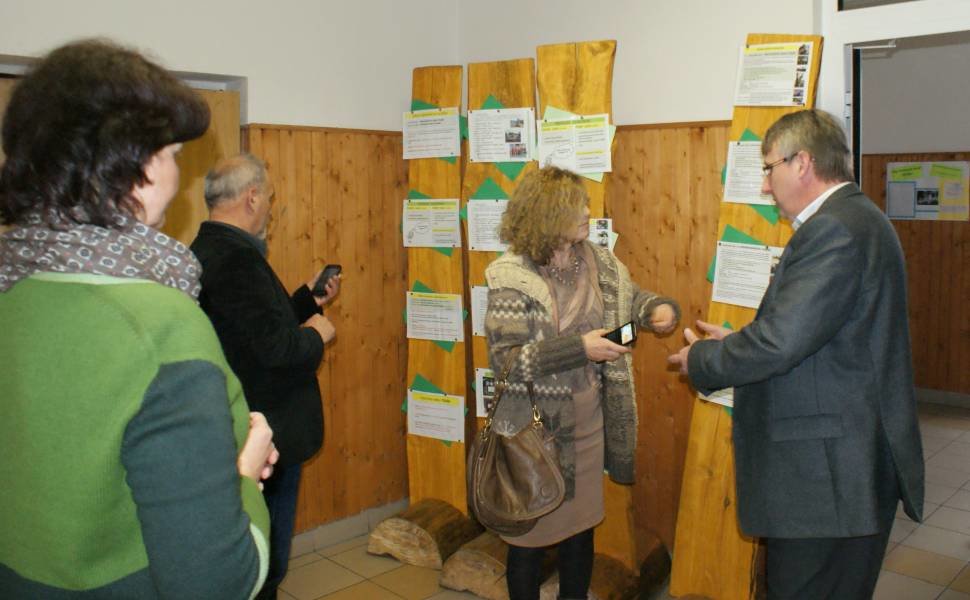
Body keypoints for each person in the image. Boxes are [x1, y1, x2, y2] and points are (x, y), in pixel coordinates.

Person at [0, 39, 276, 598]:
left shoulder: (15, 292)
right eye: (172, 154)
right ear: (135, 167)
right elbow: (216, 583)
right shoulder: (161, 325)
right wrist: (244, 477)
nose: (178, 175)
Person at [668, 109, 924, 599]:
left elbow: (781, 342)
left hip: (828, 479)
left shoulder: (835, 229)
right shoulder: (855, 218)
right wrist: (737, 341)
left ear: (802, 163)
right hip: (842, 469)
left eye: (769, 168)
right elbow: (816, 334)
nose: (766, 185)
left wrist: (703, 359)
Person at [484, 166, 679, 600]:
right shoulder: (511, 276)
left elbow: (629, 300)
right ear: (548, 213)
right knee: (528, 544)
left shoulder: (598, 260)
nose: (589, 212)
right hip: (534, 436)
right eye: (578, 206)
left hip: (588, 429)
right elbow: (506, 361)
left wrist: (656, 311)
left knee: (580, 535)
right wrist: (580, 349)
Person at [190, 153, 339, 600]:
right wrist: (317, 335)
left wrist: (307, 301)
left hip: (242, 425)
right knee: (266, 564)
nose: (271, 208)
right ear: (252, 197)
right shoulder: (237, 260)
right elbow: (278, 351)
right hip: (266, 436)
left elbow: (254, 333)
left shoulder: (209, 249)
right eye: (270, 198)